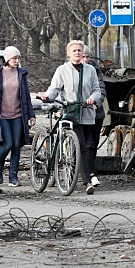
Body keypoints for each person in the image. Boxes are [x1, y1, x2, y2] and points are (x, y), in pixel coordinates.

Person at [40, 40, 102, 195]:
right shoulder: (62, 70)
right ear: (69, 53)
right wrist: (47, 96)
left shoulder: (90, 70)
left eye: (79, 50)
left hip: (86, 112)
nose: (77, 53)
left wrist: (93, 99)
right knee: (80, 145)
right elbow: (54, 89)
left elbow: (97, 89)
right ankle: (87, 181)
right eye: (74, 50)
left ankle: (75, 173)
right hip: (70, 112)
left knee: (86, 146)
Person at [0, 46, 36, 186]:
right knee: (8, 144)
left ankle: (13, 176)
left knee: (17, 145)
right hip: (2, 115)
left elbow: (26, 96)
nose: (17, 61)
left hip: (18, 114)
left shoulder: (21, 73)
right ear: (7, 59)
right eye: (14, 58)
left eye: (18, 58)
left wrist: (31, 115)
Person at [82, 45, 106, 188]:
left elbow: (101, 88)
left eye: (87, 57)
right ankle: (90, 173)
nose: (85, 59)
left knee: (93, 144)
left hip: (95, 112)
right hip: (78, 111)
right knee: (86, 143)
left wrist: (96, 102)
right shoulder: (68, 70)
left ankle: (91, 172)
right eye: (83, 56)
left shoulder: (95, 70)